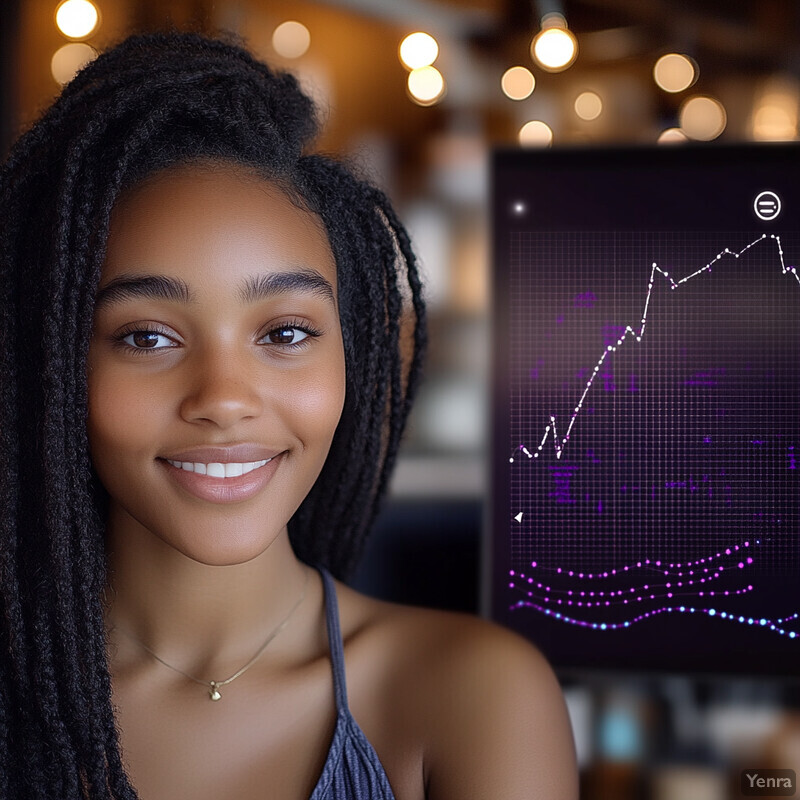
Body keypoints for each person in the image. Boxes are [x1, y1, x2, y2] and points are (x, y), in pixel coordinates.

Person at [0, 29, 578, 800]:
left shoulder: (473, 697)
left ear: (356, 352)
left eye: (286, 332)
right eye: (146, 336)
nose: (226, 398)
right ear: (54, 360)